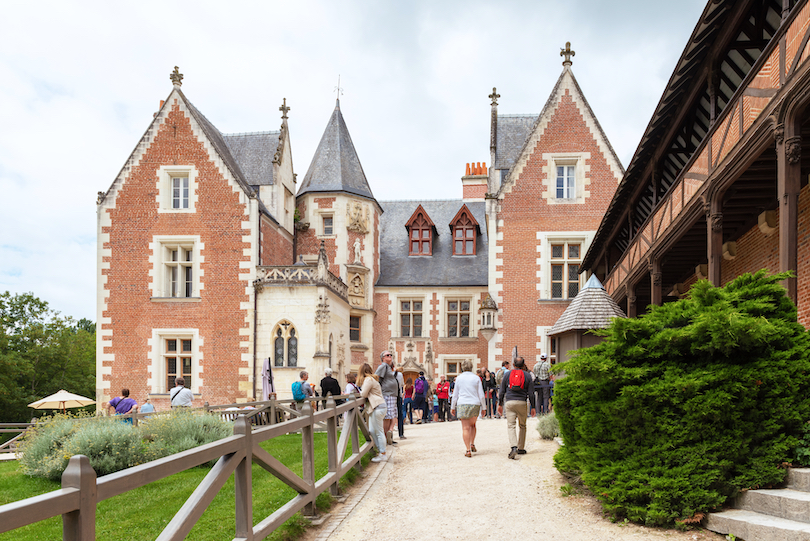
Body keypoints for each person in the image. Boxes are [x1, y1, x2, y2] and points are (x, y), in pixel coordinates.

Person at [498, 356, 536, 459]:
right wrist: (533, 407)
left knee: (511, 425)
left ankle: (513, 447)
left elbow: (501, 391)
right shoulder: (527, 375)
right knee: (522, 425)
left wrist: (500, 404)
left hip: (510, 402)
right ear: (524, 365)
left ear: (513, 365)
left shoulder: (507, 374)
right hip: (522, 402)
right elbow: (531, 393)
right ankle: (521, 448)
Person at [451, 359, 487, 457]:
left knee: (465, 428)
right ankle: (472, 444)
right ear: (471, 367)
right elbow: (481, 394)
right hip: (474, 403)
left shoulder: (458, 378)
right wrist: (484, 407)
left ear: (462, 367)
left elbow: (455, 394)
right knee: (473, 425)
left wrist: (452, 407)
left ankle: (468, 450)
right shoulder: (476, 378)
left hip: (462, 403)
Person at [358, 362, 387, 462]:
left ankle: (383, 454)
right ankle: (381, 451)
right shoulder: (372, 379)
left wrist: (359, 393)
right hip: (376, 407)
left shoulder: (368, 380)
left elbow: (364, 394)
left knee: (379, 431)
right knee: (372, 430)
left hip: (377, 407)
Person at [375, 351, 399, 444]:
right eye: (387, 355)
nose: (390, 356)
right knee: (387, 416)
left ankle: (388, 436)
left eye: (391, 355)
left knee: (391, 415)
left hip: (392, 394)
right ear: (383, 358)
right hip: (387, 394)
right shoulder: (383, 366)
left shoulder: (388, 367)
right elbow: (377, 378)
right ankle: (384, 437)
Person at [396, 367, 406, 439]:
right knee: (400, 414)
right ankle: (401, 434)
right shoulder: (399, 375)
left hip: (388, 396)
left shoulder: (387, 373)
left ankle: (388, 433)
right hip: (398, 395)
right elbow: (402, 384)